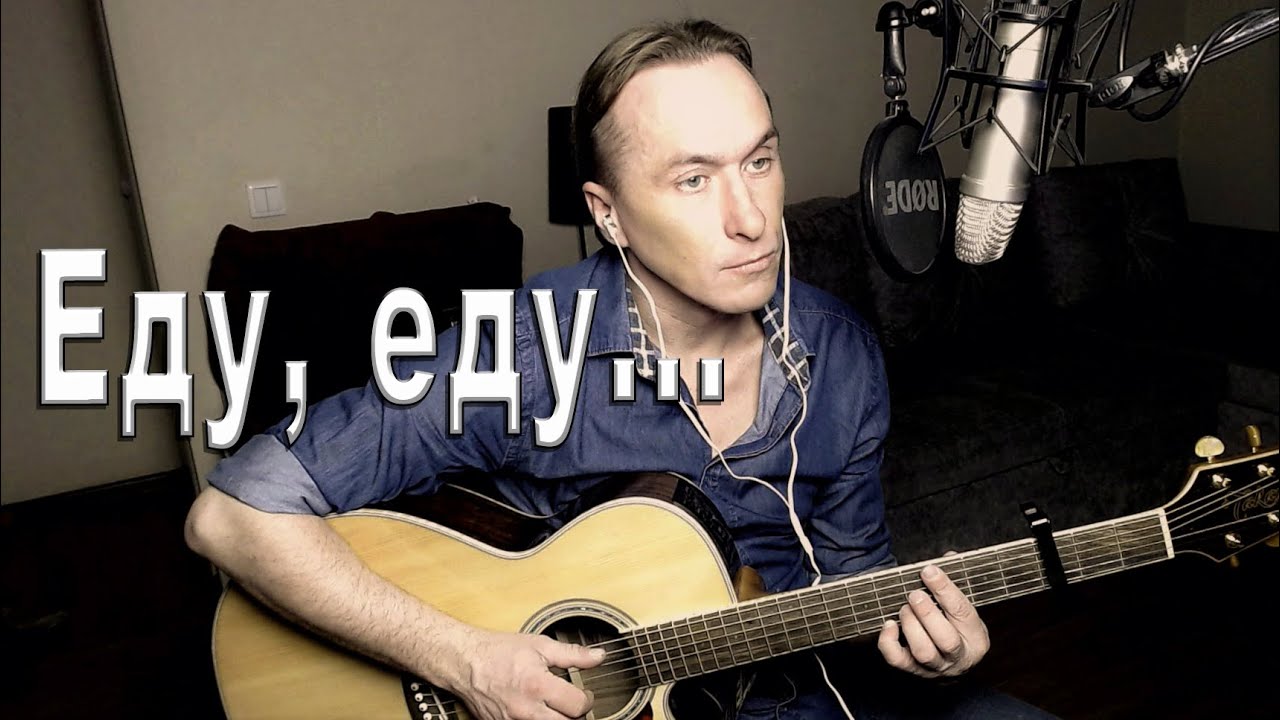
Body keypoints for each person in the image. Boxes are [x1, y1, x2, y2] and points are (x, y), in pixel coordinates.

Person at [186, 18, 1053, 720]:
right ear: (610, 216)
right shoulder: (522, 353)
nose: (753, 218)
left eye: (759, 160)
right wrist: (465, 659)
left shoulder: (843, 355)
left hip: (799, 692)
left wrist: (922, 641)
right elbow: (232, 516)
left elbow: (854, 581)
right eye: (693, 180)